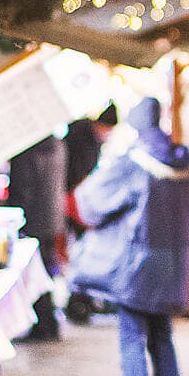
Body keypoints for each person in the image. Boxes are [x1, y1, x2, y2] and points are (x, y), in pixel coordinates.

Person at [70, 98, 189, 376]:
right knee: (163, 338)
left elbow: (92, 203)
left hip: (135, 265)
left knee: (132, 339)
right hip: (172, 263)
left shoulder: (133, 161)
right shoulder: (183, 160)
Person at [61, 105, 119, 325]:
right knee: (81, 252)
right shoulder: (86, 140)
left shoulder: (82, 134)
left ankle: (81, 297)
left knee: (79, 252)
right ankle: (80, 298)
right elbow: (83, 175)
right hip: (75, 202)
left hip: (73, 201)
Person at [5, 135, 66, 341]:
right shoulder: (57, 145)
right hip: (52, 217)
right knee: (45, 271)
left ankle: (42, 325)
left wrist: (13, 216)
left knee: (35, 273)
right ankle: (48, 324)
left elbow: (21, 188)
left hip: (32, 218)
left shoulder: (27, 149)